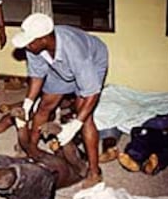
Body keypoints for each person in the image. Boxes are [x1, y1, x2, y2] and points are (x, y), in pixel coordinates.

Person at [11, 13, 108, 189]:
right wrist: (27, 104)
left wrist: (75, 125)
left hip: (92, 61)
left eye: (30, 42)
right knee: (45, 105)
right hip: (60, 65)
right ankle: (31, 149)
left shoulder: (75, 51)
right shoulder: (34, 46)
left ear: (44, 38)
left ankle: (95, 172)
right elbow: (37, 76)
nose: (27, 45)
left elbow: (92, 94)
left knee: (85, 116)